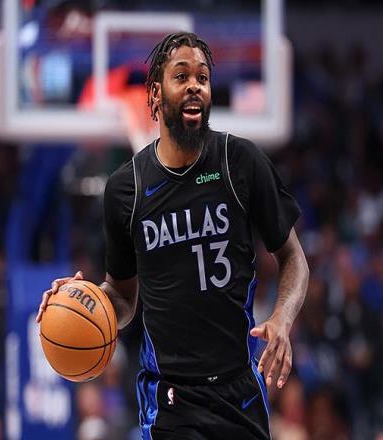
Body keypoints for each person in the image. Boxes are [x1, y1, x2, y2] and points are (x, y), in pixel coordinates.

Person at [37, 32, 309, 439]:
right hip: (171, 399)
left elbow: (293, 258)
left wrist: (282, 319)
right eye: (181, 76)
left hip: (239, 389)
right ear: (155, 93)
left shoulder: (241, 162)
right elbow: (123, 296)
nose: (194, 85)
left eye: (203, 77)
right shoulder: (125, 189)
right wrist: (85, 300)